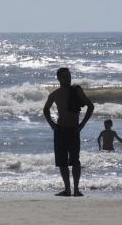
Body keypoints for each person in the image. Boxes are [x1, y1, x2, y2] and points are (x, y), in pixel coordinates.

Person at [43, 67, 94, 197]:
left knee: (75, 161)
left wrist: (82, 125)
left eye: (69, 75)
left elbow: (90, 106)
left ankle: (76, 189)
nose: (68, 78)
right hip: (60, 130)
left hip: (74, 130)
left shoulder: (76, 90)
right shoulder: (55, 94)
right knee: (62, 162)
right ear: (59, 79)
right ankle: (67, 190)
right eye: (65, 76)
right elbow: (46, 109)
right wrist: (52, 125)